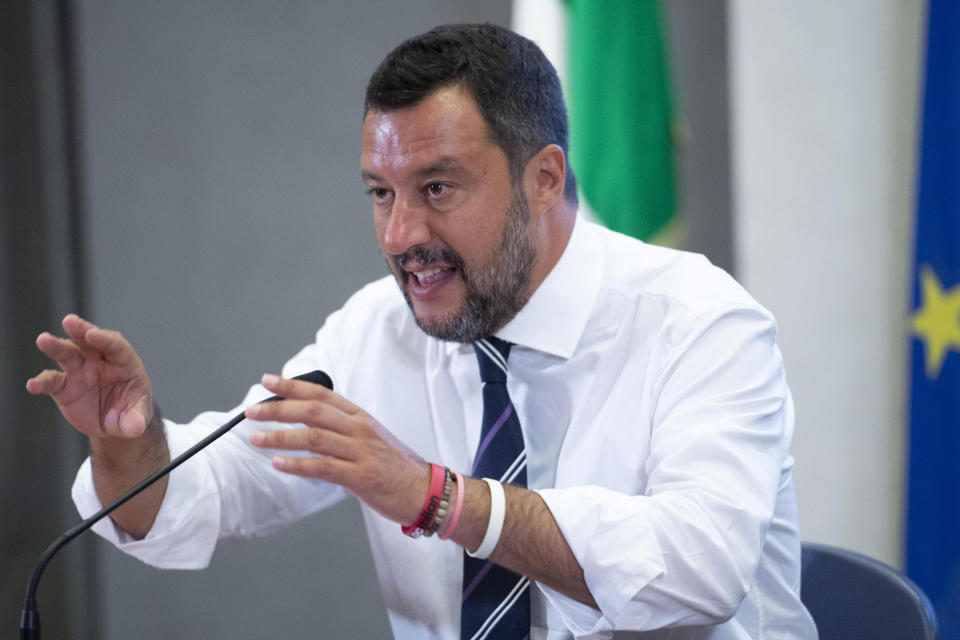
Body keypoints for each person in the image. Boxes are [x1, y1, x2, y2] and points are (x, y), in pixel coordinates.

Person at [27, 24, 817, 639]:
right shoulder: (374, 332)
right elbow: (217, 494)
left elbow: (702, 568)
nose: (401, 235)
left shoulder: (701, 323)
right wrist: (126, 443)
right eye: (380, 193)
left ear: (543, 178)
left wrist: (439, 499)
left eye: (436, 187)